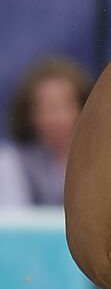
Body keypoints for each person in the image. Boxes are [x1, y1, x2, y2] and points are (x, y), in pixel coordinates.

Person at [0, 56, 92, 205]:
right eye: (50, 108)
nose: (60, 117)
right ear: (30, 115)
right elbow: (13, 220)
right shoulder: (12, 162)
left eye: (67, 105)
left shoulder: (102, 158)